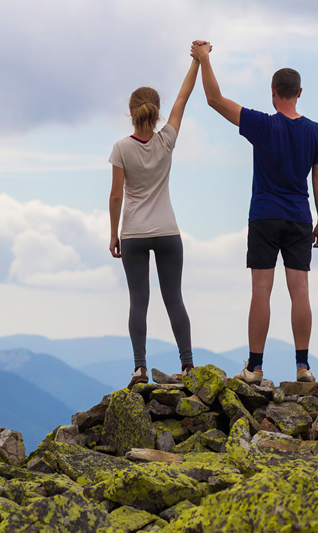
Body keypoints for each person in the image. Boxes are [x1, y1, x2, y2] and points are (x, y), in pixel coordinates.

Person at [190, 41, 318, 384]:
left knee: (261, 290)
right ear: (299, 92)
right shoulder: (316, 132)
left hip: (264, 215)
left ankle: (254, 367)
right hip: (299, 216)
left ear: (272, 92)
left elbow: (214, 99)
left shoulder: (262, 125)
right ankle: (302, 366)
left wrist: (205, 59)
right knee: (300, 291)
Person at [109, 52, 204, 389]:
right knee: (174, 298)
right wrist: (198, 61)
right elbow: (183, 96)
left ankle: (139, 369)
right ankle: (189, 365)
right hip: (167, 231)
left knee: (139, 301)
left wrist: (113, 234)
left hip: (134, 233)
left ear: (131, 112)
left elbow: (117, 196)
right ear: (156, 111)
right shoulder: (166, 140)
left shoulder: (122, 148)